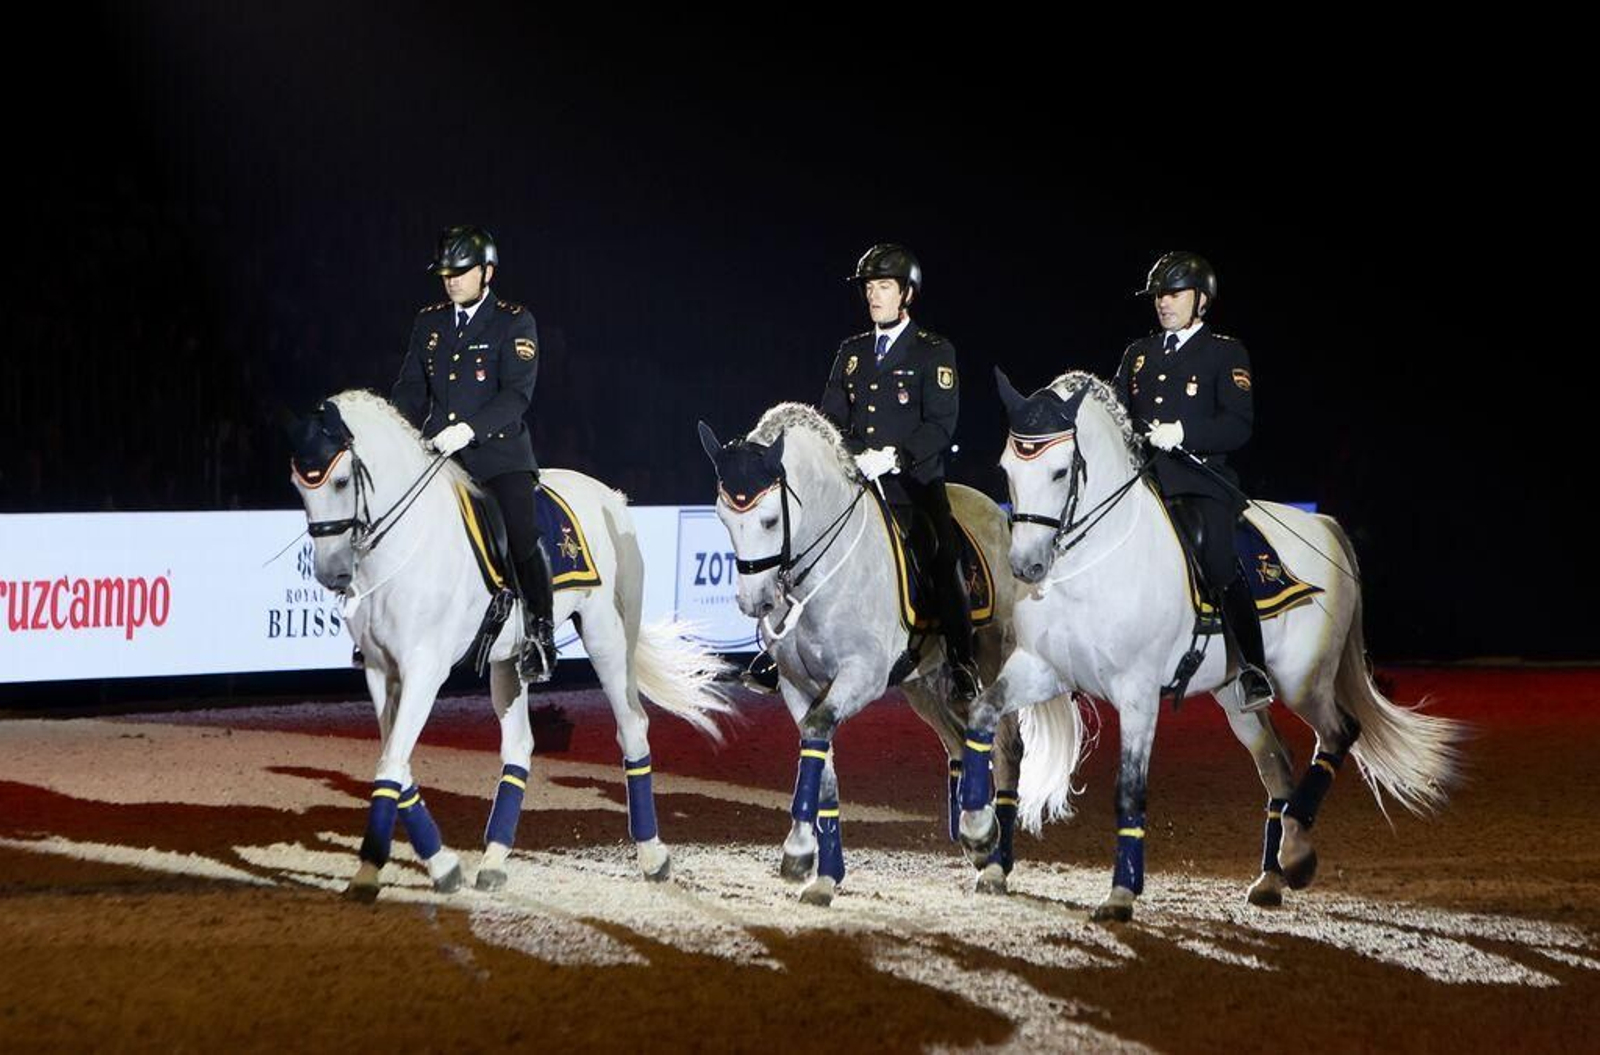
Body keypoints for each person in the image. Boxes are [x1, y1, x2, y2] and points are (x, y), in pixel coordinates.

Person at [392, 224, 555, 683]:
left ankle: (541, 634)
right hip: (441, 454)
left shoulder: (514, 321)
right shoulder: (429, 321)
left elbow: (515, 396)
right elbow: (410, 387)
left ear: (487, 272)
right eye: (446, 272)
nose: (451, 280)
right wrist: (395, 429)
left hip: (498, 455)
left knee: (521, 531)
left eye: (460, 272)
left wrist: (468, 429)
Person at [1113, 250, 1273, 708]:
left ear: (1200, 300)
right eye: (1158, 296)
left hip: (1200, 481)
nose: (1163, 303)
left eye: (1173, 294)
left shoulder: (1225, 352)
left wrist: (1186, 432)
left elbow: (1238, 425)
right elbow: (1116, 410)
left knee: (1219, 558)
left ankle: (1253, 667)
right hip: (1143, 484)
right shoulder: (1138, 354)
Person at [819, 243, 978, 699]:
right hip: (857, 483)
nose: (874, 295)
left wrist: (893, 457)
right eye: (870, 287)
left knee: (942, 555)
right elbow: (830, 418)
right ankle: (783, 651)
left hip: (913, 484)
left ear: (906, 293)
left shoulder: (933, 351)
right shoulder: (851, 353)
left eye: (883, 286)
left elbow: (941, 424)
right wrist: (853, 454)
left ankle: (962, 659)